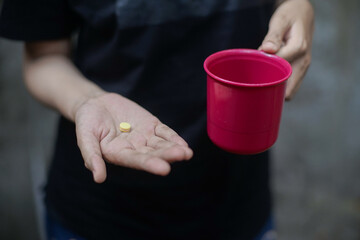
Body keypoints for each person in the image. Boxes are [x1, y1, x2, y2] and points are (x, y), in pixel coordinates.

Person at [0, 0, 314, 239]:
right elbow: (43, 56)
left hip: (237, 206)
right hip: (101, 214)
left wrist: (297, 6)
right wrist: (88, 101)